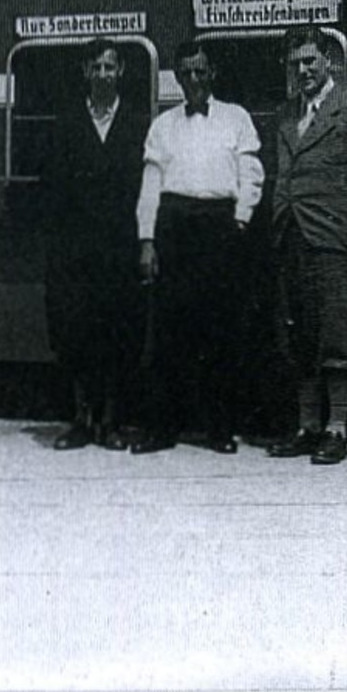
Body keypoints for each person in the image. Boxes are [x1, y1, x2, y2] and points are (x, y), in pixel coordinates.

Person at [266, 26, 347, 465]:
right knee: (298, 335)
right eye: (294, 63)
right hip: (291, 239)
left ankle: (336, 429)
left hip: (334, 240)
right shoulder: (285, 115)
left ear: (330, 64)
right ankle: (306, 426)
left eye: (309, 62)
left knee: (338, 337)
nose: (302, 70)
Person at [134, 41, 264, 454]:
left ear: (213, 73)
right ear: (175, 76)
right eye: (186, 72)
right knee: (169, 335)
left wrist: (240, 219)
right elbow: (150, 185)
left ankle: (219, 429)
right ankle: (162, 428)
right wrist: (147, 240)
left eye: (201, 71)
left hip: (219, 228)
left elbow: (251, 173)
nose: (194, 79)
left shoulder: (236, 118)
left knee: (219, 334)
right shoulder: (163, 125)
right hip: (174, 228)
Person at [42, 39, 150, 451]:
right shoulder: (66, 122)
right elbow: (51, 186)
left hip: (121, 246)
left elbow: (147, 186)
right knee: (76, 334)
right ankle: (82, 420)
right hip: (76, 249)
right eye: (96, 68)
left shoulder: (140, 122)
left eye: (110, 67)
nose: (103, 75)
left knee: (119, 335)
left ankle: (112, 422)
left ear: (120, 71)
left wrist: (143, 241)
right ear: (85, 72)